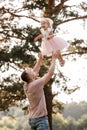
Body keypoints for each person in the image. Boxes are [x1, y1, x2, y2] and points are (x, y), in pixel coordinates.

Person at [21, 51, 58, 130]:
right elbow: (50, 73)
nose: (32, 69)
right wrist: (54, 58)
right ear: (31, 77)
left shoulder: (26, 85)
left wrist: (40, 59)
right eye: (30, 71)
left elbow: (35, 70)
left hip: (32, 119)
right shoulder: (36, 84)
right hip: (40, 120)